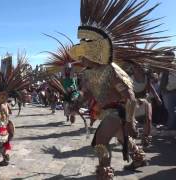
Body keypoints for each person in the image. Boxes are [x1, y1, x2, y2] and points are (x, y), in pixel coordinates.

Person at [63, 0, 176, 179]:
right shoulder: (88, 73)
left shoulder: (112, 69)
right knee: (122, 138)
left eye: (83, 54)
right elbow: (87, 92)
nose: (80, 58)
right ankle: (138, 157)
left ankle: (105, 172)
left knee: (100, 140)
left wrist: (130, 121)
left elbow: (129, 96)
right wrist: (76, 99)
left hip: (119, 111)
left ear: (92, 53)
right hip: (107, 112)